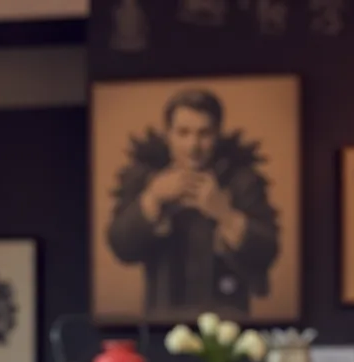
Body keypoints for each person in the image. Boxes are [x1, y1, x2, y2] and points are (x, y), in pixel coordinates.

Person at [105, 88, 279, 317]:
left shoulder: (242, 181)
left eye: (204, 133)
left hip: (228, 326)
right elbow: (121, 246)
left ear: (217, 134)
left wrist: (224, 213)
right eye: (183, 133)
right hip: (161, 321)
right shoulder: (146, 179)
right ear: (168, 134)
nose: (193, 146)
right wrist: (153, 199)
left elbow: (268, 251)